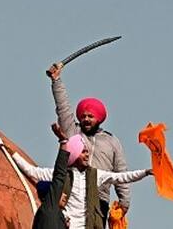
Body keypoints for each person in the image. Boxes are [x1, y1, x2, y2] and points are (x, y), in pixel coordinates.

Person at [11, 129, 152, 229]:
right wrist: (12, 154)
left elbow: (121, 177)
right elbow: (32, 172)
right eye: (83, 152)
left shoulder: (95, 176)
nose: (87, 155)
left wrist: (145, 172)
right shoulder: (62, 175)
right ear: (75, 153)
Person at [47, 62, 130, 226]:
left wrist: (124, 201)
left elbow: (121, 173)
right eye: (83, 116)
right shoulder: (73, 132)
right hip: (71, 194)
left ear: (99, 118)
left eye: (90, 116)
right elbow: (63, 108)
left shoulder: (112, 142)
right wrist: (56, 81)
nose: (86, 119)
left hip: (98, 200)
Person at [30, 123, 73, 229]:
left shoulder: (47, 214)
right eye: (60, 192)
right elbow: (59, 174)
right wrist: (63, 142)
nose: (64, 196)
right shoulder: (50, 207)